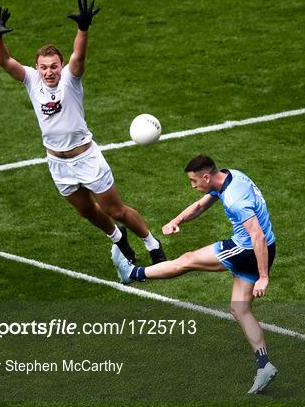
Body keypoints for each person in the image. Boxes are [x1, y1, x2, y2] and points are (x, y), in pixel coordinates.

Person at [0, 0, 166, 265]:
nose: (49, 72)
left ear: (61, 66)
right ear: (36, 67)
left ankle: (152, 244)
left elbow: (79, 56)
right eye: (44, 67)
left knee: (115, 209)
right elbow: (4, 62)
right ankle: (118, 238)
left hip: (86, 158)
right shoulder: (31, 80)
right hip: (57, 163)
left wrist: (83, 29)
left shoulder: (71, 79)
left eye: (53, 66)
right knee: (87, 212)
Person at [111, 154, 278, 394]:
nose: (193, 186)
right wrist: (176, 220)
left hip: (248, 249)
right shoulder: (231, 176)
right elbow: (201, 206)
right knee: (239, 309)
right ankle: (264, 365)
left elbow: (256, 235)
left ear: (206, 177)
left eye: (194, 181)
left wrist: (263, 277)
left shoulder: (234, 199)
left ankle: (133, 273)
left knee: (187, 260)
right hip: (264, 249)